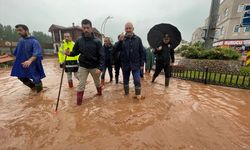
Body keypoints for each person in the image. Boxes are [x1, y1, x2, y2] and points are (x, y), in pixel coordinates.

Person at [65, 19, 104, 105]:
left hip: (95, 67)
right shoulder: (79, 40)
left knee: (97, 83)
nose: (86, 29)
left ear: (91, 28)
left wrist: (100, 68)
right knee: (81, 84)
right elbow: (75, 52)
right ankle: (78, 104)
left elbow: (102, 56)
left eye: (88, 27)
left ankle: (100, 95)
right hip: (83, 66)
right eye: (84, 28)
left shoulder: (97, 41)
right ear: (82, 28)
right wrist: (69, 54)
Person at [10, 24, 45, 93]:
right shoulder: (20, 41)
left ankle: (40, 93)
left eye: (20, 30)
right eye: (17, 31)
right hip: (23, 63)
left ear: (26, 30)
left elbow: (37, 53)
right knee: (20, 76)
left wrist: (30, 60)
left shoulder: (34, 41)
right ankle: (33, 88)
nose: (18, 32)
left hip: (33, 64)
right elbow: (17, 52)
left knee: (36, 78)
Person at [115, 22, 144, 99]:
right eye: (126, 28)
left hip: (136, 64)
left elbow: (142, 52)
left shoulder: (138, 39)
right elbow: (115, 50)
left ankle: (138, 95)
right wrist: (120, 41)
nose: (128, 30)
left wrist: (142, 64)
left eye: (129, 28)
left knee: (137, 80)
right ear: (124, 29)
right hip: (125, 64)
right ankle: (126, 95)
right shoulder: (122, 39)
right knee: (125, 81)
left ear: (133, 29)